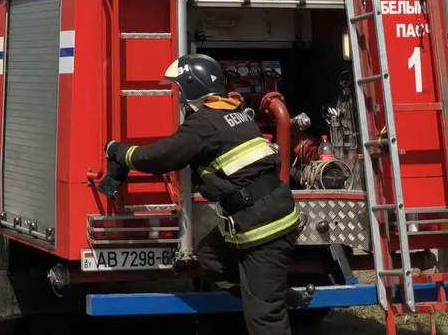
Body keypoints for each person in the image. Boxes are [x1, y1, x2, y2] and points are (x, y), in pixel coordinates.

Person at [102, 53, 305, 335]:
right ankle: (270, 292)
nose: (179, 97)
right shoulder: (235, 114)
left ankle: (267, 297)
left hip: (264, 227)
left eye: (180, 89)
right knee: (210, 255)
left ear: (192, 87)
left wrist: (118, 151)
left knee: (264, 318)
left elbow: (158, 157)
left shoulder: (203, 125)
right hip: (264, 213)